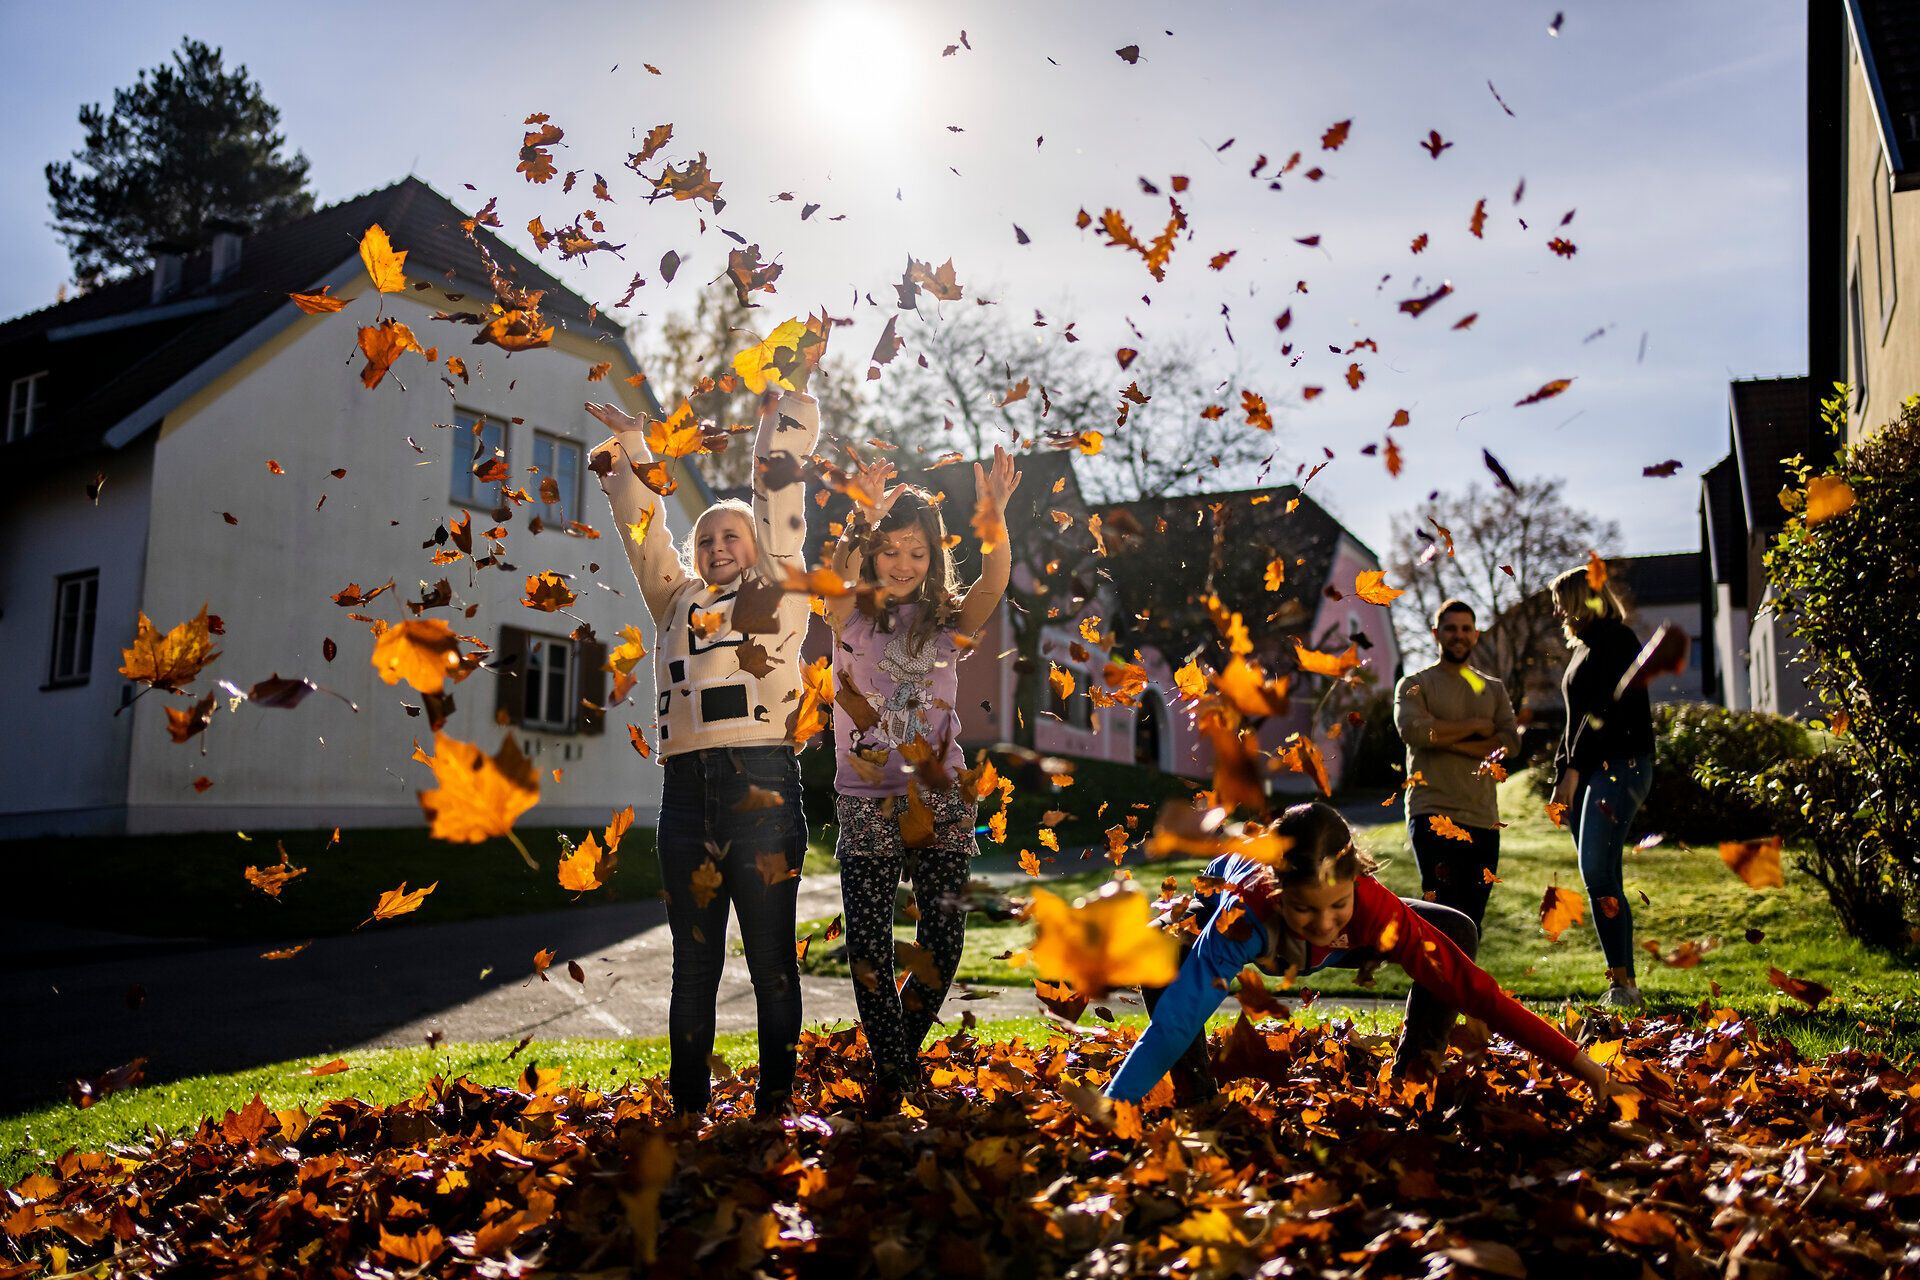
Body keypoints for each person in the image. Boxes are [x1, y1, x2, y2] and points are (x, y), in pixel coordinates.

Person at [586, 383, 820, 1118]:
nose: (718, 547)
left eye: (733, 537)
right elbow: (641, 527)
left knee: (773, 967)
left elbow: (781, 506)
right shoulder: (674, 601)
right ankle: (689, 1111)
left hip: (763, 788)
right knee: (695, 966)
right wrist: (634, 448)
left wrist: (780, 428)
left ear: (757, 549)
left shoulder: (780, 590)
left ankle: (774, 1107)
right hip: (685, 796)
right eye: (707, 540)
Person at [1105, 802, 1618, 1105]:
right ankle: (1201, 1100)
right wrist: (1115, 1106)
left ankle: (1415, 1077)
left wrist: (1592, 1073)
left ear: (1357, 879)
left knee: (1454, 929)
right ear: (1281, 891)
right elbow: (1174, 1023)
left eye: (1339, 905)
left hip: (1334, 937)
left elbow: (1476, 993)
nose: (1326, 923)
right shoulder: (1245, 914)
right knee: (1164, 961)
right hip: (1246, 927)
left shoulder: (1374, 908)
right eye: (1308, 909)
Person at [824, 447, 1022, 1105]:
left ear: (934, 558)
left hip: (940, 795)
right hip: (866, 798)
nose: (902, 564)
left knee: (942, 939)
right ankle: (893, 1073)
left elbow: (994, 581)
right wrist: (861, 520)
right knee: (869, 941)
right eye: (890, 550)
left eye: (916, 552)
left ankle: (894, 1057)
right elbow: (838, 573)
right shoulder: (847, 613)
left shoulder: (947, 621)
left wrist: (993, 517)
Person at [1548, 566, 1656, 1008]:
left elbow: (1602, 714)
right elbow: (1573, 722)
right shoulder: (1584, 648)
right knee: (1602, 875)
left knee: (1596, 871)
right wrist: (1562, 776)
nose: (1555, 609)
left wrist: (1573, 771)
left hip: (1620, 766)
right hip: (1592, 771)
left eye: (1559, 598)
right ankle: (1623, 984)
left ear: (1578, 598)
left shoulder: (1616, 640)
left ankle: (1623, 986)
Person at [1393, 599, 1521, 929]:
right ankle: (1430, 983)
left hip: (1482, 818)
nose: (1458, 635)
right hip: (1432, 812)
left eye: (1466, 629)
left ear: (1476, 635)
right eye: (1450, 628)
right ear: (1436, 633)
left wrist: (1448, 738)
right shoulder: (1414, 684)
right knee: (1441, 917)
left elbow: (1510, 743)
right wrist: (1477, 727)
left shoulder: (1490, 688)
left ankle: (1458, 983)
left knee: (1471, 922)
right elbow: (1415, 732)